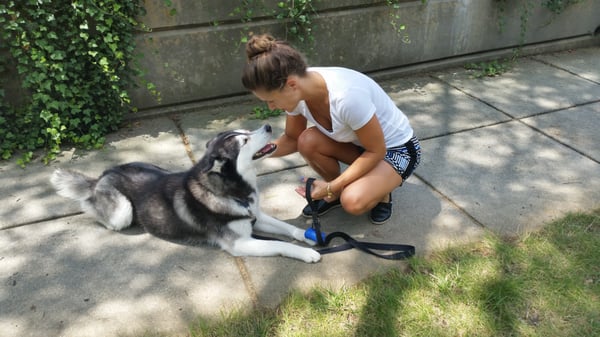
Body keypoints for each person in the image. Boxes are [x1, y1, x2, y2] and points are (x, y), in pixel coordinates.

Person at [241, 33, 421, 225]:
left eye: (271, 100)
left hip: (397, 150)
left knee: (353, 202)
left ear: (291, 85)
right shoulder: (298, 88)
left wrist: (331, 187)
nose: (271, 107)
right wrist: (250, 153)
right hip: (360, 145)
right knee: (307, 141)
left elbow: (377, 150)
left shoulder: (347, 97)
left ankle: (382, 194)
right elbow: (292, 139)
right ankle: (337, 194)